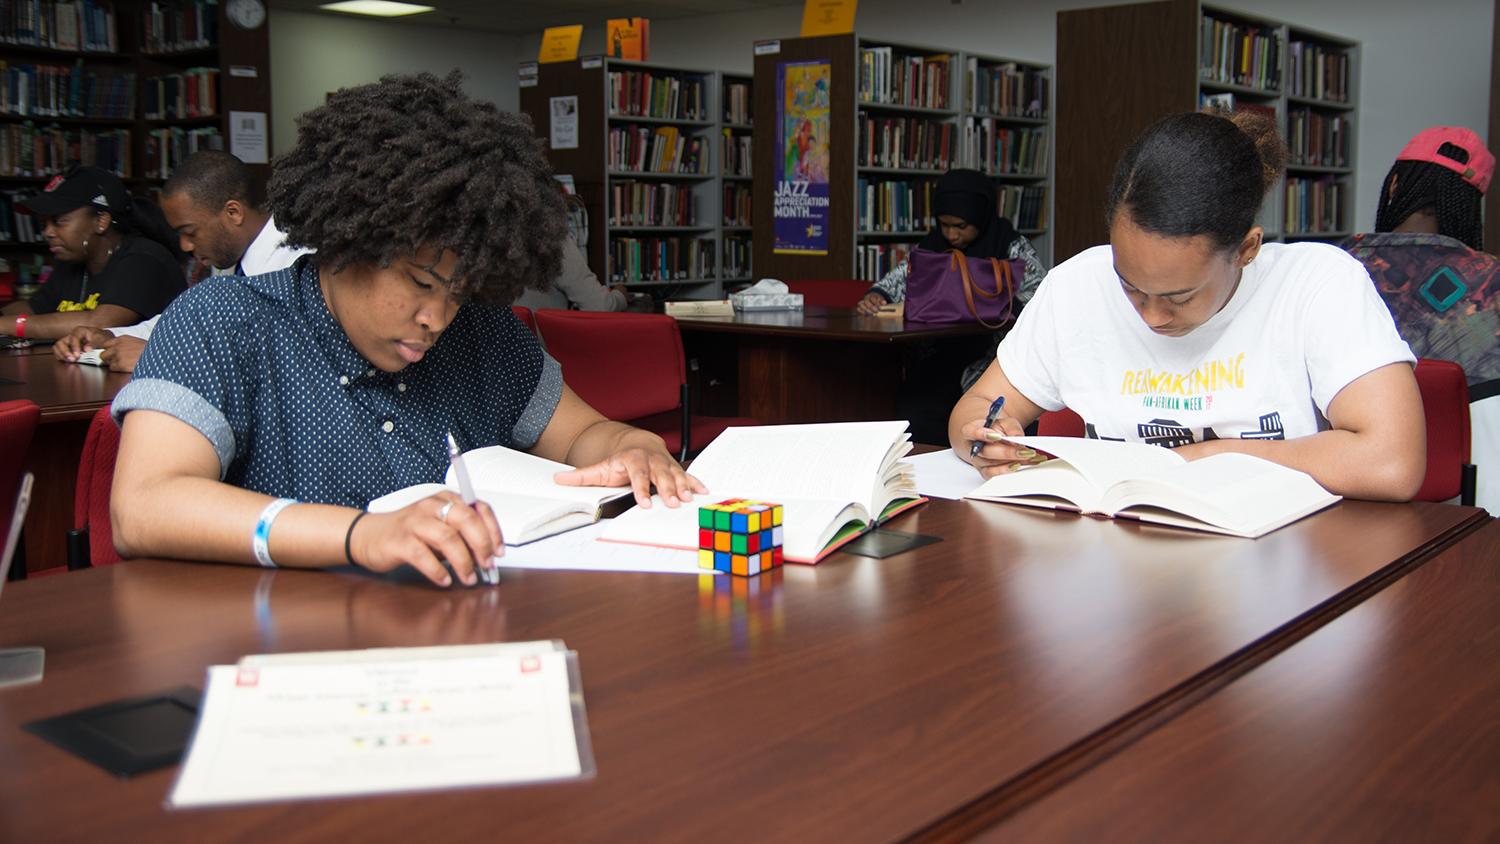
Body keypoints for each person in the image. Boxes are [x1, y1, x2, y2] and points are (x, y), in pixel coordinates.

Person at [110, 71, 705, 588]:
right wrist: (360, 536)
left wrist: (633, 448)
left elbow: (585, 437)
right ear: (348, 239)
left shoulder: (485, 334)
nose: (439, 319)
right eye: (422, 283)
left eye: (460, 291)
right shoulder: (219, 323)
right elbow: (143, 506)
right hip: (286, 658)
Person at [952, 109, 1425, 502]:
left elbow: (1392, 463)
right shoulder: (1077, 285)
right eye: (1130, 286)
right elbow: (974, 408)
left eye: (1180, 296)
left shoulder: (1316, 282)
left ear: (1247, 249)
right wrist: (983, 437)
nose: (1151, 316)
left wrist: (1212, 457)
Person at [1341, 126, 1499, 511]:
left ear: (1394, 185)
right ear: (1467, 204)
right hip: (1472, 489)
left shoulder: (1337, 266)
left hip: (1349, 478)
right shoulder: (1491, 280)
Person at [53, 150, 310, 372]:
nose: (185, 246)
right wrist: (110, 336)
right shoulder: (230, 256)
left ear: (233, 212)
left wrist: (161, 357)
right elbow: (187, 322)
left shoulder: (301, 262)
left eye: (190, 232)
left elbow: (288, 359)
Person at [854, 169, 1048, 444]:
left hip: (993, 355)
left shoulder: (1008, 244)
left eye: (960, 226)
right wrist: (878, 294)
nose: (951, 234)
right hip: (941, 353)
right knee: (915, 408)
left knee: (998, 419)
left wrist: (995, 304)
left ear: (981, 216)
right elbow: (898, 280)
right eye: (944, 224)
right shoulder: (933, 245)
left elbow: (1039, 298)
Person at [0, 166, 185, 341]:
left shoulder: (144, 258)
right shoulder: (73, 261)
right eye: (43, 224)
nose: (48, 232)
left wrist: (9, 325)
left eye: (58, 221)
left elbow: (100, 324)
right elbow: (33, 309)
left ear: (101, 221)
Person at [512, 234, 628, 312]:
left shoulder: (497, 239)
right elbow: (600, 306)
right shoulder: (555, 242)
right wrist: (620, 295)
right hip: (544, 346)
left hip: (501, 346)